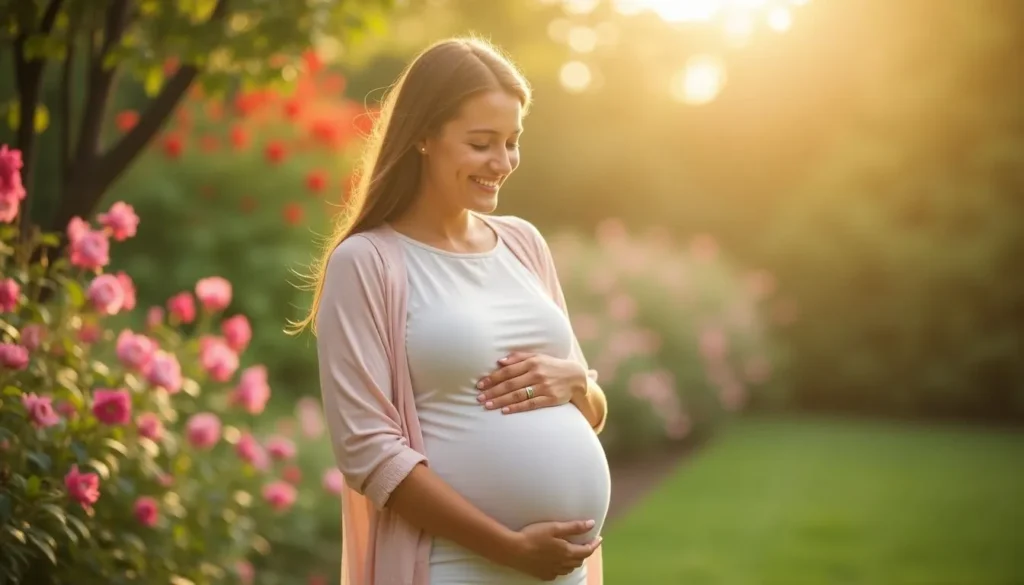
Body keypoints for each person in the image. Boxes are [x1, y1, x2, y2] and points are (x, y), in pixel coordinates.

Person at [288, 37, 612, 585]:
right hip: (456, 566)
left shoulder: (523, 244)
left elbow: (592, 411)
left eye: (512, 142)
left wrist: (577, 381)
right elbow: (369, 453)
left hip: (559, 574)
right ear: (423, 138)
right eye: (482, 143)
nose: (503, 162)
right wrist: (508, 548)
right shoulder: (367, 262)